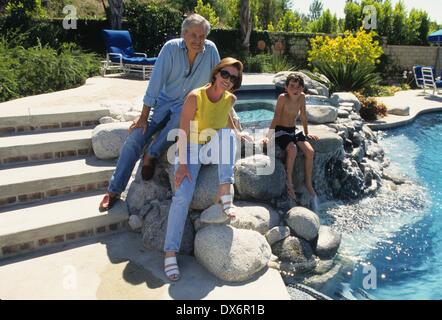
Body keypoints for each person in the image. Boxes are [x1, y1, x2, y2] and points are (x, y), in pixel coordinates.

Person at [99, 14, 221, 215]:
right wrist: (143, 117)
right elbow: (155, 83)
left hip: (187, 106)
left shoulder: (211, 51)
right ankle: (114, 190)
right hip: (162, 103)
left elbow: (218, 82)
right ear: (184, 34)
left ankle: (152, 153)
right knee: (134, 139)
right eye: (193, 35)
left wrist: (226, 112)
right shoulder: (171, 48)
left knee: (182, 115)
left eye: (202, 36)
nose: (198, 40)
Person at [163, 57, 249, 281]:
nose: (228, 80)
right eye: (225, 74)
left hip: (210, 148)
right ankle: (170, 253)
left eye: (233, 77)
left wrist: (237, 132)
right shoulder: (195, 97)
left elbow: (227, 117)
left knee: (228, 135)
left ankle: (224, 187)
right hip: (190, 148)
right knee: (182, 197)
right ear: (216, 74)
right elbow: (182, 131)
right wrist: (182, 165)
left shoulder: (230, 99)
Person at [264, 73, 319, 203]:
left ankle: (308, 182)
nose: (296, 89)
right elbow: (276, 117)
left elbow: (304, 116)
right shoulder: (282, 98)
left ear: (303, 88)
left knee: (310, 151)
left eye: (299, 87)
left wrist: (306, 133)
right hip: (281, 131)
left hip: (293, 130)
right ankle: (289, 182)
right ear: (286, 87)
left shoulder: (302, 97)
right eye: (292, 86)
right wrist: (268, 136)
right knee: (292, 149)